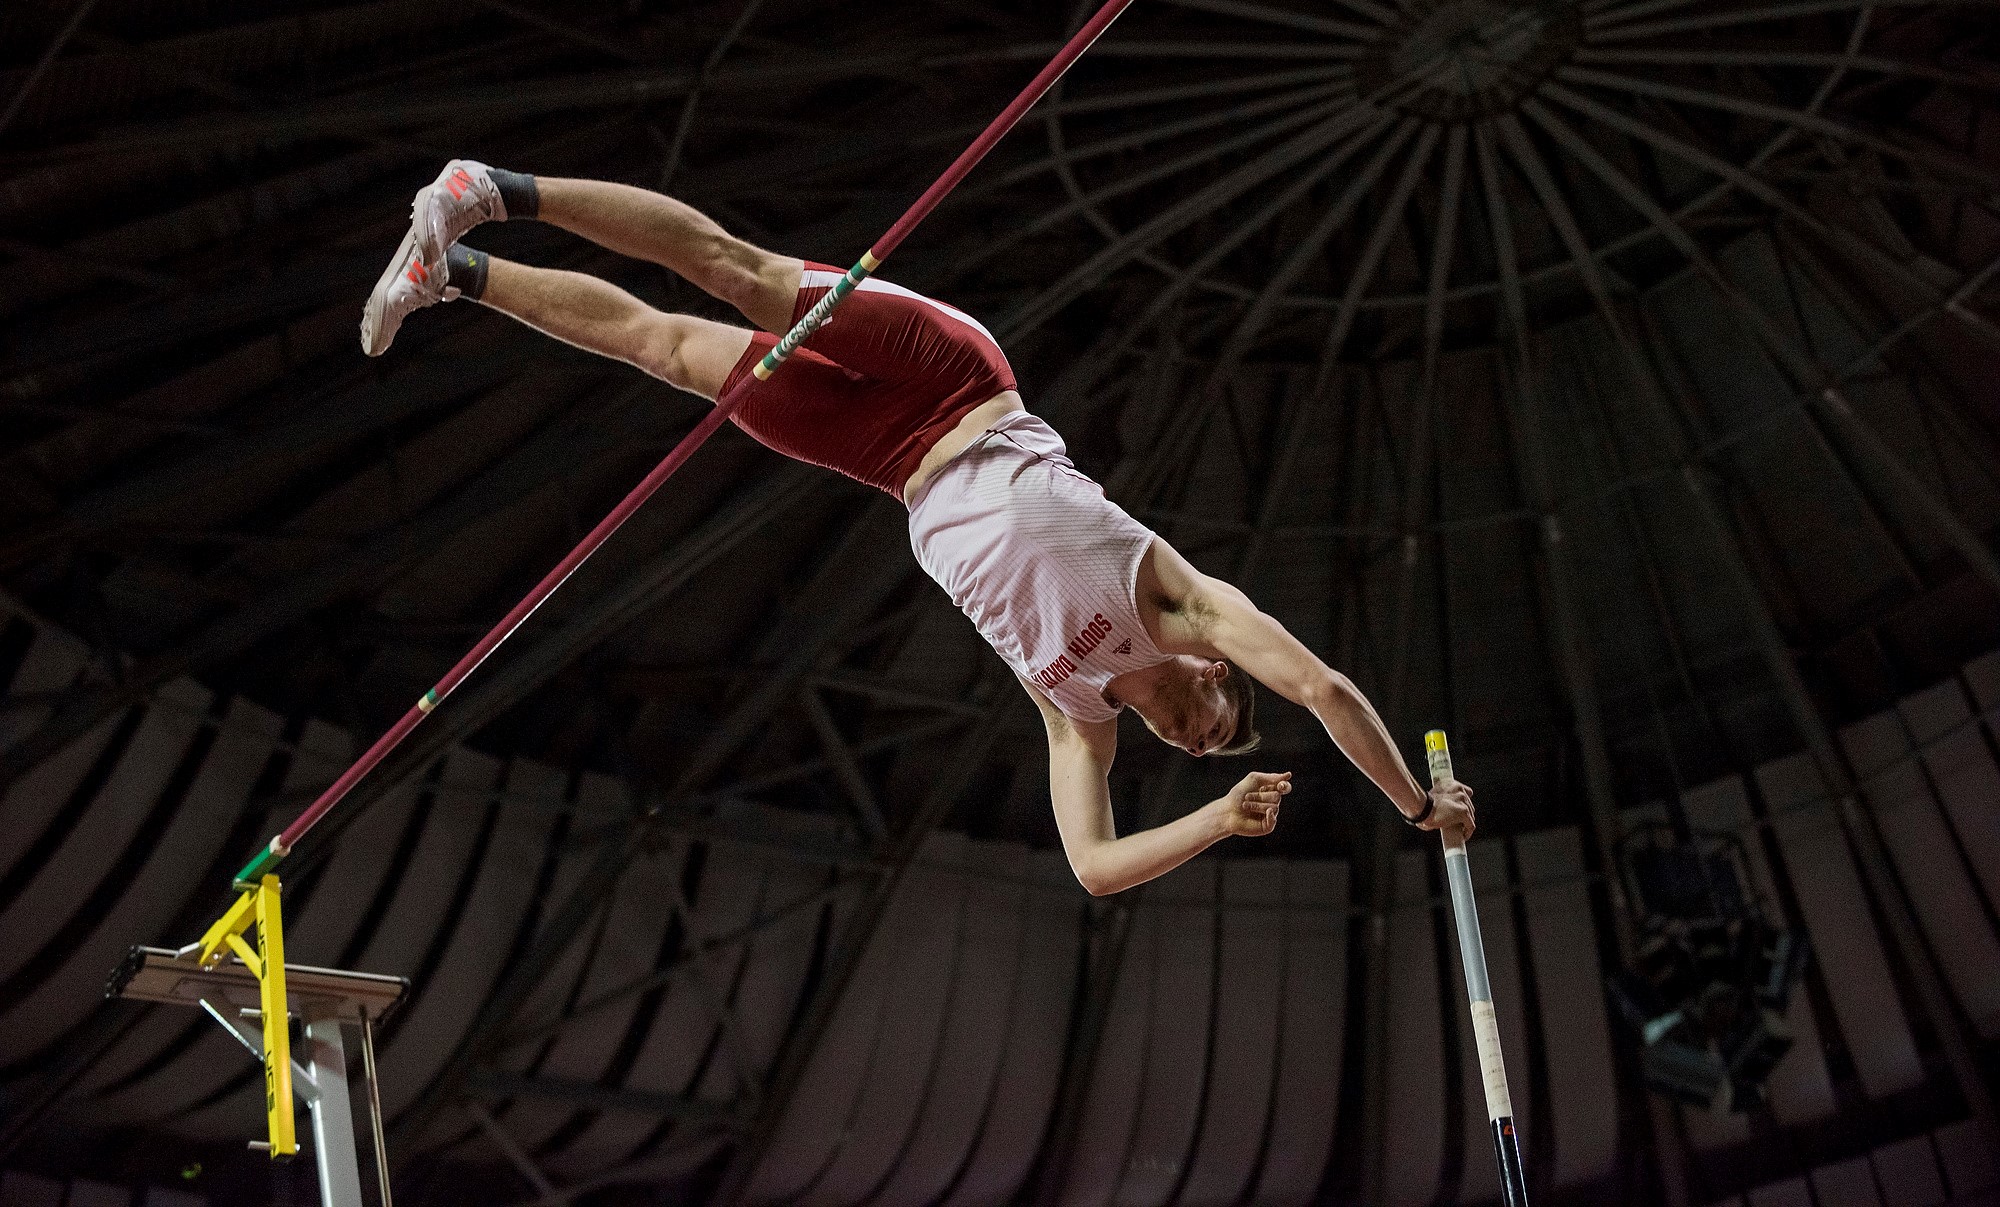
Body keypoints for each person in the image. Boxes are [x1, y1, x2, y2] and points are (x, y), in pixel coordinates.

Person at [364, 161, 1476, 896]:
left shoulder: (1076, 717)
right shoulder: (1183, 604)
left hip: (890, 466)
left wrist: (1217, 823)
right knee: (742, 277)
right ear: (1209, 668)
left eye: (1196, 746)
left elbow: (1091, 866)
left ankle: (450, 270)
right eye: (1222, 713)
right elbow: (1325, 691)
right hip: (955, 386)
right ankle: (489, 189)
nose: (1204, 732)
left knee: (664, 352)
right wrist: (1416, 806)